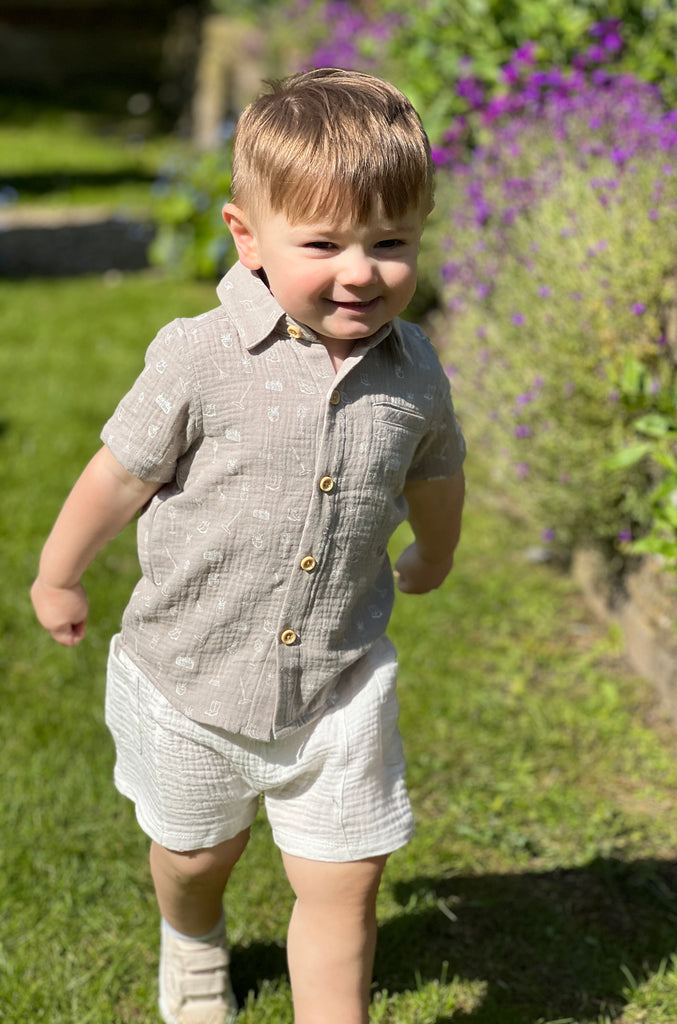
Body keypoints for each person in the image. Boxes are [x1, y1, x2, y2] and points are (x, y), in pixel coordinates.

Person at [30, 68, 465, 1024]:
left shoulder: (415, 366)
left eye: (392, 243)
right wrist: (59, 573)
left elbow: (435, 472)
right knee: (195, 855)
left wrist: (434, 552)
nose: (362, 271)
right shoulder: (199, 355)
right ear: (247, 238)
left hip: (338, 682)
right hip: (189, 680)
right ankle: (191, 935)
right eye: (323, 244)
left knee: (344, 880)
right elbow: (119, 474)